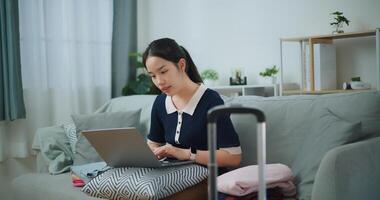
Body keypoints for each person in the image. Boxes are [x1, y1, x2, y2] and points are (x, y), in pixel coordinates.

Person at [143, 38, 241, 170]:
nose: (159, 81)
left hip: (205, 177)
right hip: (168, 174)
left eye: (163, 71)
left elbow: (233, 156)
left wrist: (187, 154)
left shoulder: (211, 100)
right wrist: (155, 153)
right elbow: (153, 144)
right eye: (153, 76)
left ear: (181, 65)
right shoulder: (160, 102)